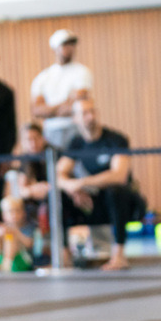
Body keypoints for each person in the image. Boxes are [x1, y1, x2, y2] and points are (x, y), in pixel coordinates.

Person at [56, 97, 135, 271]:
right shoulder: (76, 143)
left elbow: (119, 176)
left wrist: (82, 183)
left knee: (115, 191)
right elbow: (59, 175)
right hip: (90, 202)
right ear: (75, 118)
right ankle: (64, 256)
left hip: (122, 202)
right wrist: (72, 189)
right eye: (84, 113)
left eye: (92, 111)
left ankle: (119, 256)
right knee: (57, 196)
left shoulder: (115, 139)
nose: (90, 117)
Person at [31, 29, 93, 150]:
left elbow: (78, 104)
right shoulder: (43, 77)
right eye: (65, 44)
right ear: (55, 48)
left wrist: (50, 110)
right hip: (51, 131)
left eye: (72, 44)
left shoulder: (81, 71)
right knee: (55, 166)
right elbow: (37, 110)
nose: (70, 48)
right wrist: (66, 103)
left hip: (75, 127)